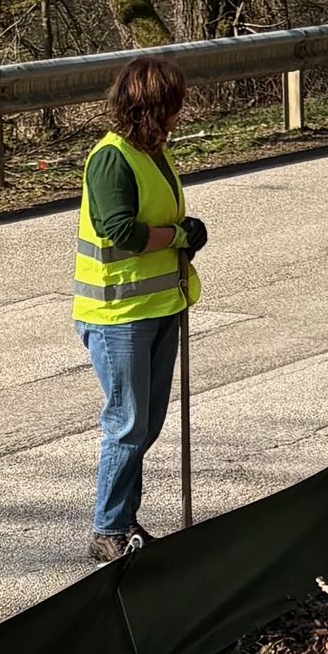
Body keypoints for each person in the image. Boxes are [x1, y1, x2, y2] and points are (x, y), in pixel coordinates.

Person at [73, 55, 207, 562]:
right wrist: (177, 235)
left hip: (158, 305)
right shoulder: (112, 159)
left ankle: (125, 520)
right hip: (117, 316)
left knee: (146, 425)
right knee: (127, 424)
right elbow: (121, 232)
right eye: (174, 105)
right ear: (154, 107)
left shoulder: (154, 154)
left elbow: (158, 219)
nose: (180, 114)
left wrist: (186, 233)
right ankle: (106, 528)